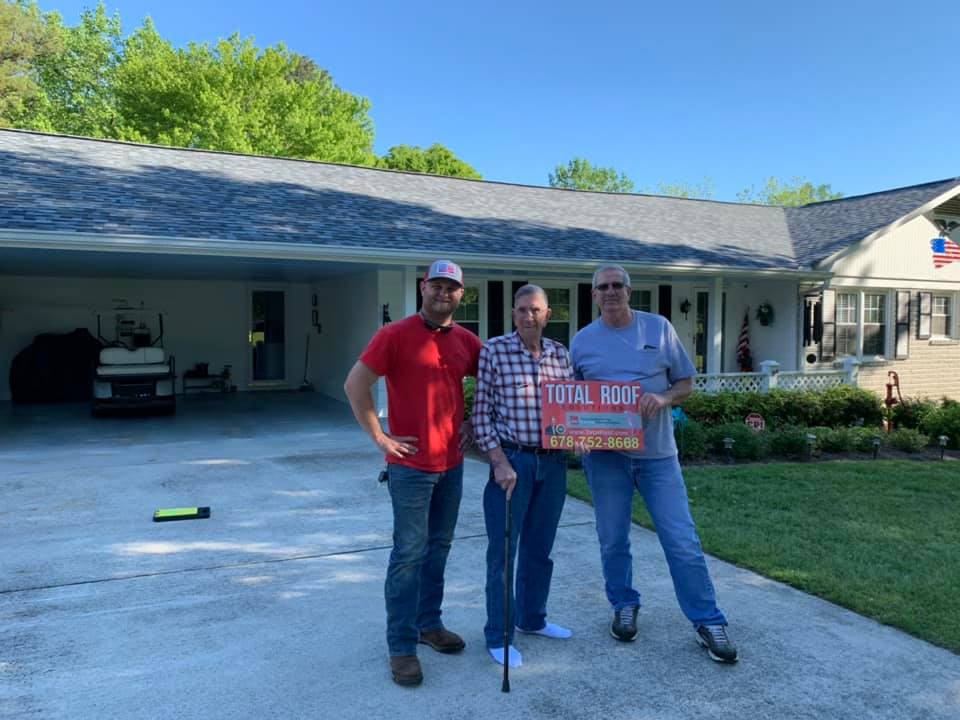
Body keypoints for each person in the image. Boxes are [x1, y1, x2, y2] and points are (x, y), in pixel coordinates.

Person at [570, 264, 739, 664]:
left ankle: (708, 619)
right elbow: (573, 399)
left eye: (617, 286)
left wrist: (663, 399)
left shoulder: (659, 328)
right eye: (602, 287)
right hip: (606, 459)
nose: (610, 292)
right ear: (593, 295)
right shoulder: (582, 342)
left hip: (658, 457)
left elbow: (685, 383)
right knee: (613, 539)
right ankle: (623, 604)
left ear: (630, 291)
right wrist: (573, 434)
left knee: (682, 542)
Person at [343, 259, 483, 686]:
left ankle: (429, 624)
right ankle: (401, 645)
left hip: (452, 466)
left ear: (462, 294)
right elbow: (355, 384)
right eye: (436, 285)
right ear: (423, 288)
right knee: (408, 555)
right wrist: (381, 438)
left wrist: (473, 423)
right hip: (409, 469)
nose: (444, 293)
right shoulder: (394, 335)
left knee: (438, 548)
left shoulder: (466, 340)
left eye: (452, 287)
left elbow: (493, 382)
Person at [471, 284, 574, 669]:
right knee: (503, 551)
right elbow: (481, 413)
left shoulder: (561, 355)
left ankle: (533, 619)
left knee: (540, 549)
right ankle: (498, 635)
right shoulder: (495, 351)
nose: (528, 316)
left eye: (535, 310)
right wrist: (497, 460)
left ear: (548, 314)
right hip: (513, 463)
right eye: (521, 310)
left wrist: (582, 437)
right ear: (513, 314)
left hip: (554, 462)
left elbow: (571, 410)